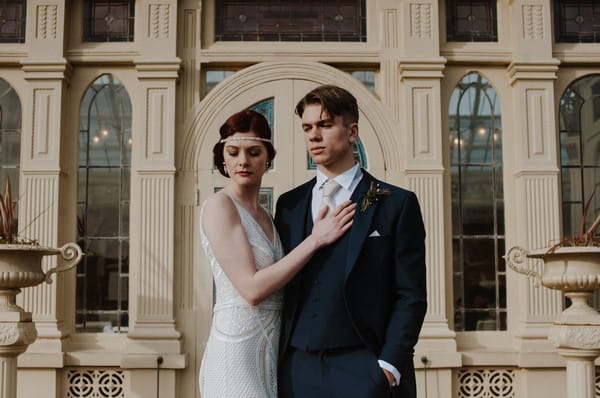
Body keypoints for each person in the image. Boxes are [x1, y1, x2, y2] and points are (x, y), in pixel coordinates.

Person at [275, 85, 427, 398]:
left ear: (352, 131)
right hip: (296, 368)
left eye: (325, 125)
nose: (313, 136)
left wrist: (388, 366)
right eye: (307, 127)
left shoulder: (396, 203)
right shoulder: (289, 205)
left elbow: (410, 294)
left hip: (364, 366)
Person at [198, 109, 356, 398]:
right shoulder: (219, 206)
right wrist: (315, 240)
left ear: (268, 157)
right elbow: (252, 289)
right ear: (222, 157)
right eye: (233, 152)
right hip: (235, 351)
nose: (242, 161)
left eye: (253, 152)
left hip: (271, 349)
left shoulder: (268, 216)